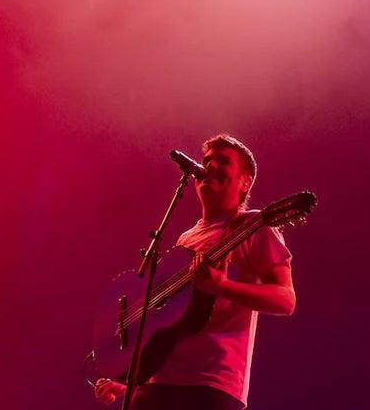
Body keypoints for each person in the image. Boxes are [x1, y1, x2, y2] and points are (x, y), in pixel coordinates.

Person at [94, 135, 295, 410]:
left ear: (245, 182)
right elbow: (168, 323)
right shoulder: (186, 239)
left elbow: (286, 300)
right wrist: (131, 382)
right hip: (156, 385)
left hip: (211, 385)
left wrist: (222, 285)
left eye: (222, 161)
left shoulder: (256, 227)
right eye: (206, 160)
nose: (210, 165)